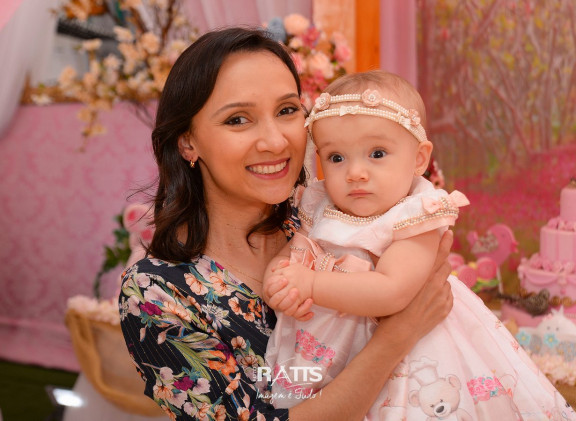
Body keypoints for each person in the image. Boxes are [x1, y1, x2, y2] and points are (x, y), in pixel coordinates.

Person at [118, 27, 455, 421]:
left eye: (287, 110)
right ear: (188, 142)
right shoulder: (157, 293)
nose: (276, 142)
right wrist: (397, 335)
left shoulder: (332, 216)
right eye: (238, 119)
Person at [262, 70, 576, 420]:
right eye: (337, 157)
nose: (355, 172)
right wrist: (280, 275)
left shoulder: (415, 213)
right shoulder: (319, 202)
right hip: (321, 346)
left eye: (377, 153)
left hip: (406, 353)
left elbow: (392, 290)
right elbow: (296, 248)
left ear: (419, 158)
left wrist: (309, 284)